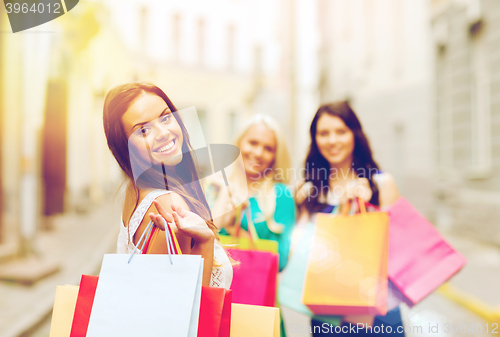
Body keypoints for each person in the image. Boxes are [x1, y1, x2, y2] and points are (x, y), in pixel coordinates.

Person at [103, 81, 232, 289]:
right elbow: (184, 305)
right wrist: (206, 242)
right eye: (143, 130)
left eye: (165, 117)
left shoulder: (136, 190)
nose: (163, 132)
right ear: (125, 147)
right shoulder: (167, 203)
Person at [296, 101, 402, 336]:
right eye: (323, 133)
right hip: (328, 313)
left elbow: (398, 250)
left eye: (341, 131)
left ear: (355, 134)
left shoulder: (381, 184)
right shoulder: (309, 191)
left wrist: (367, 209)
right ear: (315, 140)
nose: (332, 140)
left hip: (379, 314)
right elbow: (298, 252)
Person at [207, 114, 296, 272]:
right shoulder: (216, 186)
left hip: (254, 292)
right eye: (253, 143)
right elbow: (197, 247)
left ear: (275, 156)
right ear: (239, 143)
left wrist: (234, 228)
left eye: (268, 148)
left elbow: (280, 262)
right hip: (213, 289)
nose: (258, 152)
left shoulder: (282, 195)